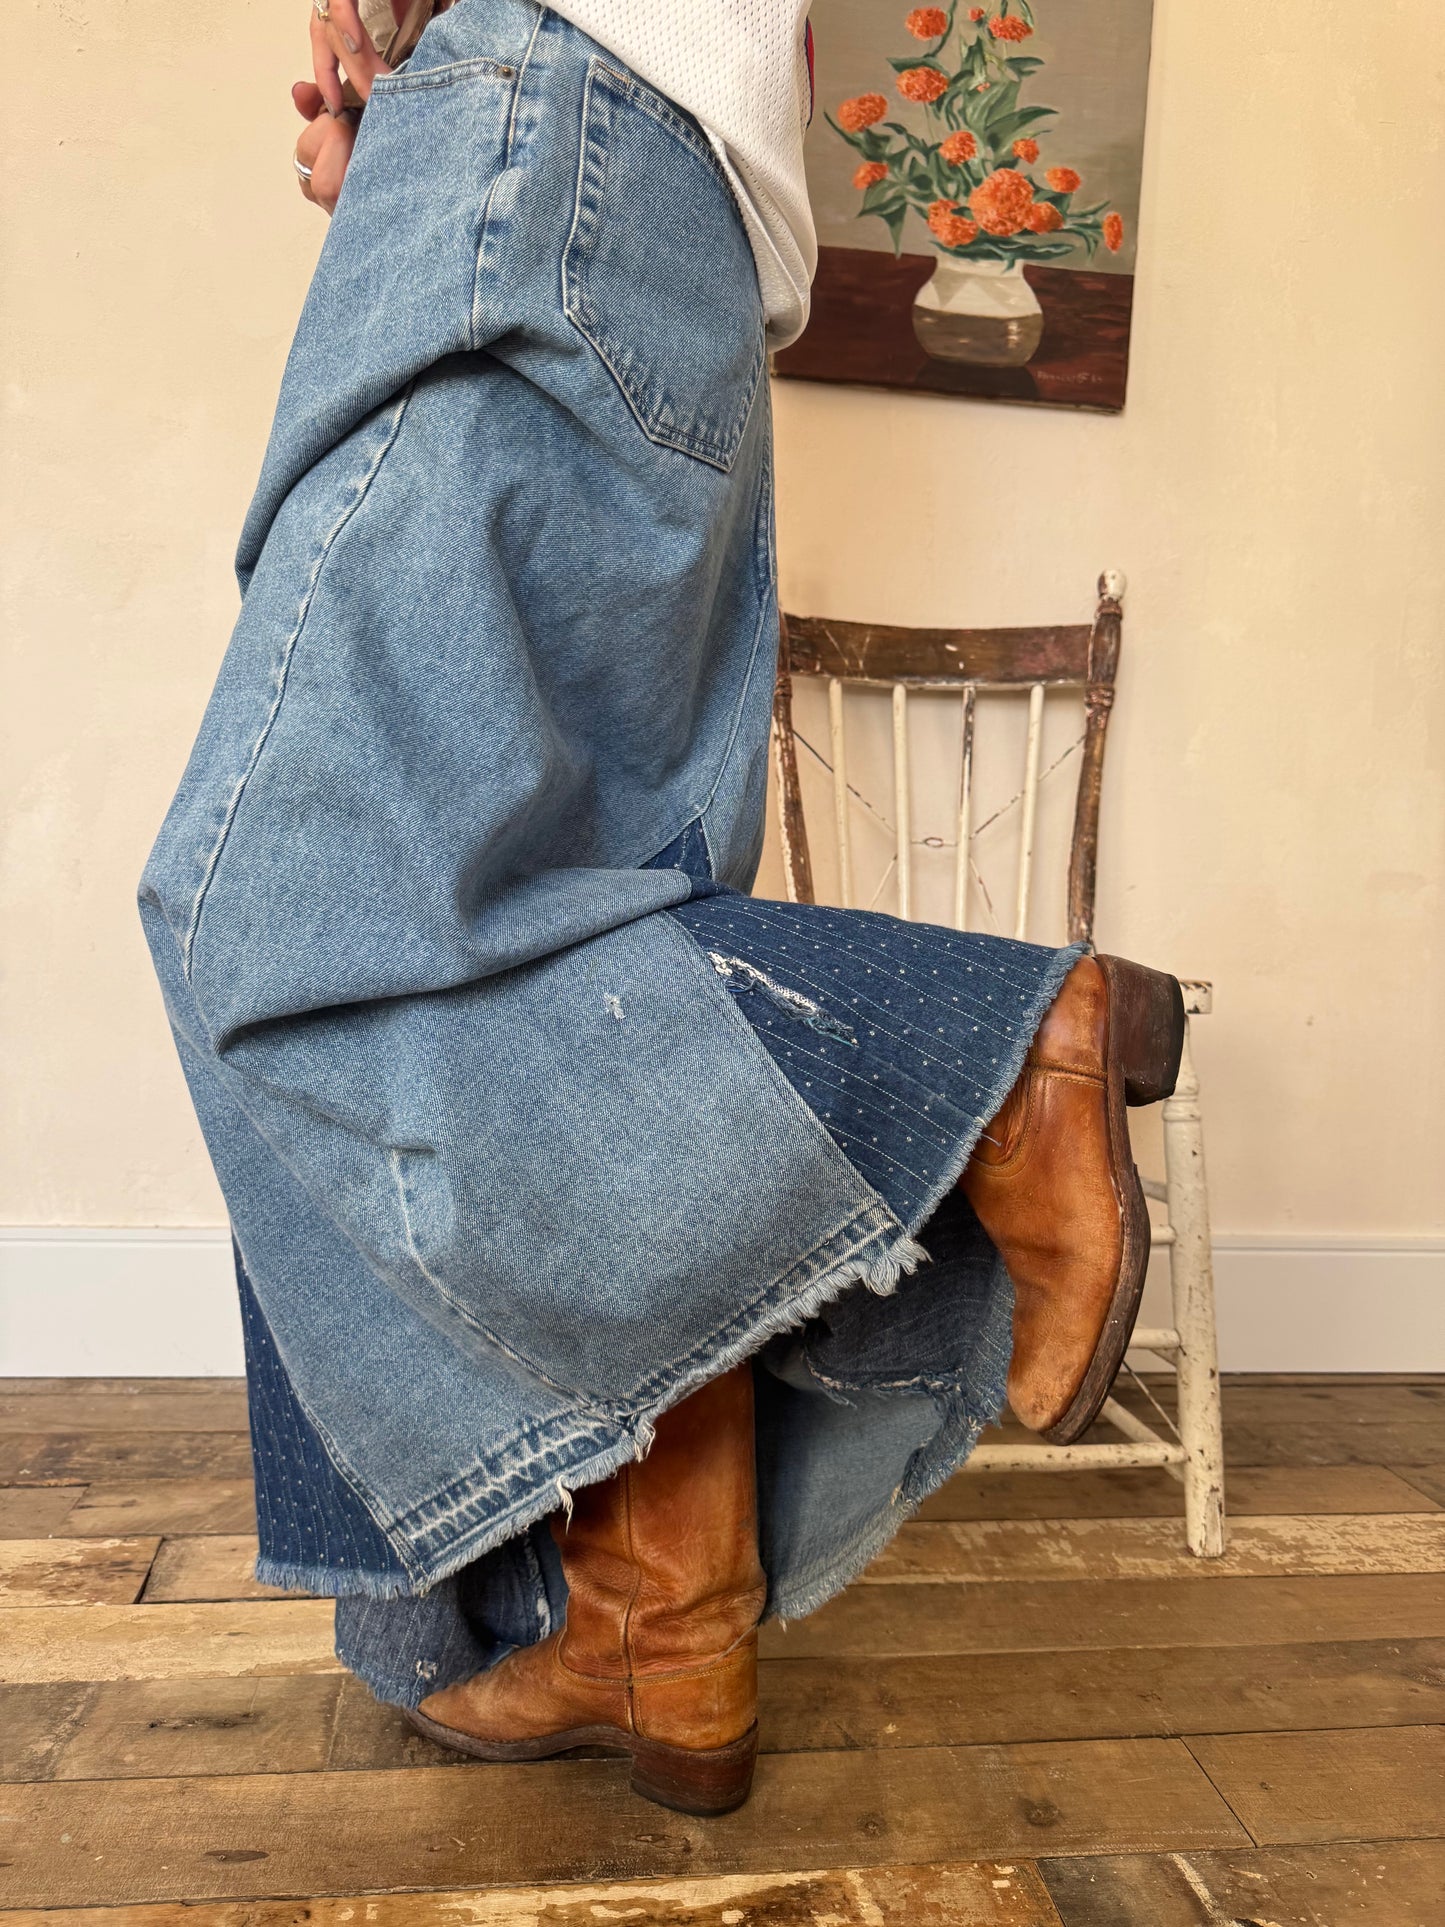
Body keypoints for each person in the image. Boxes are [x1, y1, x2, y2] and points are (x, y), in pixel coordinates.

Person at [139, 0, 1183, 1816]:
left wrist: (413, 64)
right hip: (676, 216)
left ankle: (997, 1064)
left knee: (262, 917)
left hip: (538, 120)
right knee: (580, 931)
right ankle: (658, 1623)